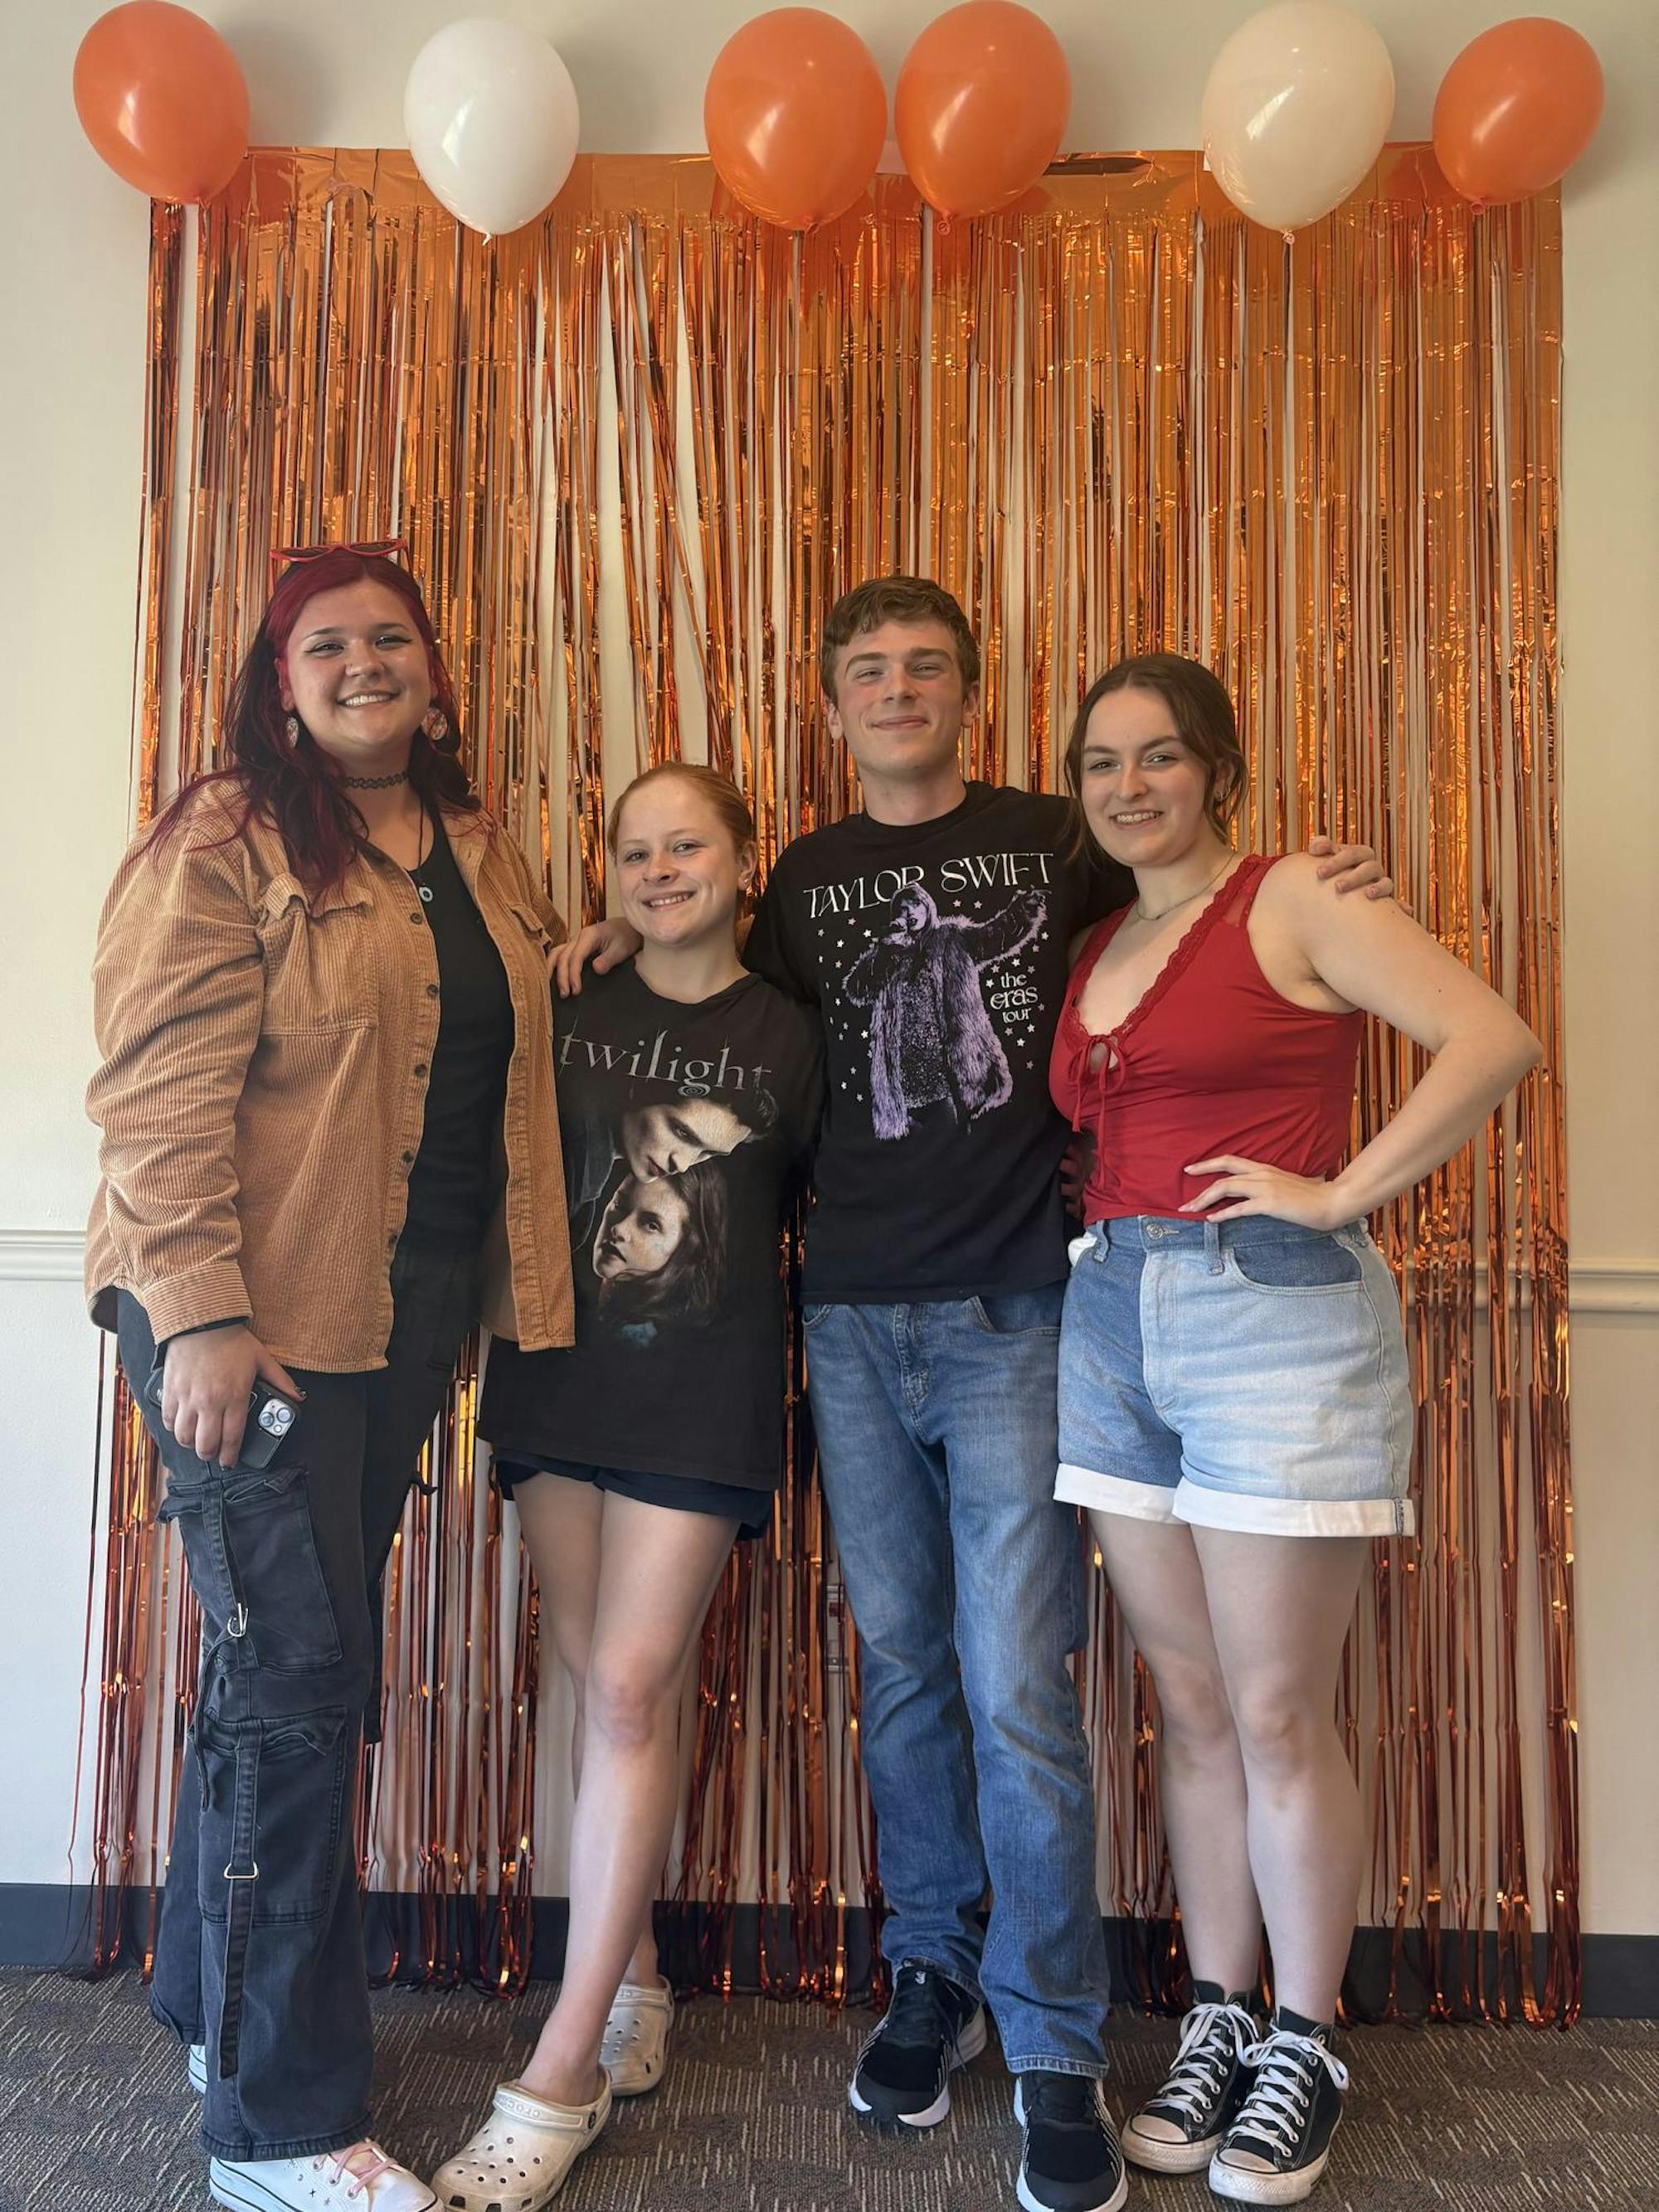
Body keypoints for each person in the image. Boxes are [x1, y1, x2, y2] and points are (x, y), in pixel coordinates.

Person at [557, 579, 1390, 2212]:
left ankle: (1056, 2030)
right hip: (852, 1313)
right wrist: (611, 931)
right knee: (908, 1669)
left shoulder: (1054, 835)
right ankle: (929, 1970)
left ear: (969, 689)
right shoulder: (801, 872)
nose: (895, 689)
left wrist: (1314, 874)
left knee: (1019, 1676)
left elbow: (1183, 888)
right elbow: (730, 982)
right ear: (832, 700)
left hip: (1023, 1306)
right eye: (865, 669)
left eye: (923, 666)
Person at [85, 546, 575, 2212]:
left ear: (435, 672)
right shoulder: (228, 835)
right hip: (249, 1316)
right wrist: (202, 1312)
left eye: (391, 639)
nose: (364, 663)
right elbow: (153, 1087)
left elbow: (507, 1045)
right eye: (326, 643)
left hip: (390, 1327)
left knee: (274, 1674)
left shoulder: (482, 854)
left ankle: (209, 2000)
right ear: (280, 679)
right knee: (298, 1697)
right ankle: (283, 2128)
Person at [1051, 654, 1540, 2205]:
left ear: (1219, 771)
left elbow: (1490, 1037)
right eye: (1102, 763)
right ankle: (1216, 2017)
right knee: (1189, 1704)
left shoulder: (1297, 898)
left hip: (1270, 1318)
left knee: (1273, 1711)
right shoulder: (1101, 940)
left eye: (1161, 757)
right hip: (1110, 1322)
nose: (1130, 785)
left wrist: (1338, 1194)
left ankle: (1305, 2037)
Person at [434, 764, 823, 2212]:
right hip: (554, 1372)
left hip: (700, 1400)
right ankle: (632, 1974)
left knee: (631, 1685)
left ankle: (562, 2069)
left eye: (689, 846)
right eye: (636, 851)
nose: (662, 871)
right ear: (610, 875)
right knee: (578, 1668)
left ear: (742, 859)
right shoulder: (565, 1001)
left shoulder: (793, 1030)